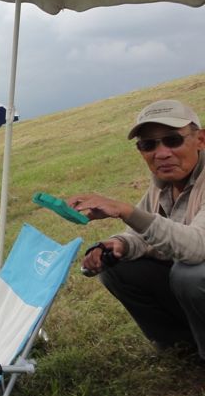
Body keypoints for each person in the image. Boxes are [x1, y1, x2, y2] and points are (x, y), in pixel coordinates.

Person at [68, 99, 205, 359]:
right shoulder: (163, 183)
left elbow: (197, 247)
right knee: (117, 267)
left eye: (173, 140)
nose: (161, 153)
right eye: (148, 145)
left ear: (200, 140)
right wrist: (119, 244)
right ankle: (183, 346)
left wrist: (126, 210)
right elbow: (150, 236)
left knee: (191, 275)